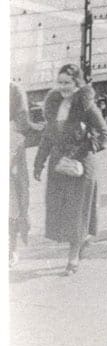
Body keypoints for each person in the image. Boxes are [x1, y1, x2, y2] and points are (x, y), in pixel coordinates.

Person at [33, 64, 107, 274]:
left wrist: (83, 149)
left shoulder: (86, 105)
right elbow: (48, 136)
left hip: (81, 166)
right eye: (60, 83)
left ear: (77, 83)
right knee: (62, 211)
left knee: (76, 212)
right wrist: (38, 163)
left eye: (67, 83)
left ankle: (73, 258)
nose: (63, 87)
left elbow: (104, 134)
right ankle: (82, 239)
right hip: (59, 165)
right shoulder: (53, 103)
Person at [10, 82, 35, 266]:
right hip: (11, 144)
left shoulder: (14, 90)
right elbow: (24, 125)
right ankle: (11, 249)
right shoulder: (15, 89)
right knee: (14, 197)